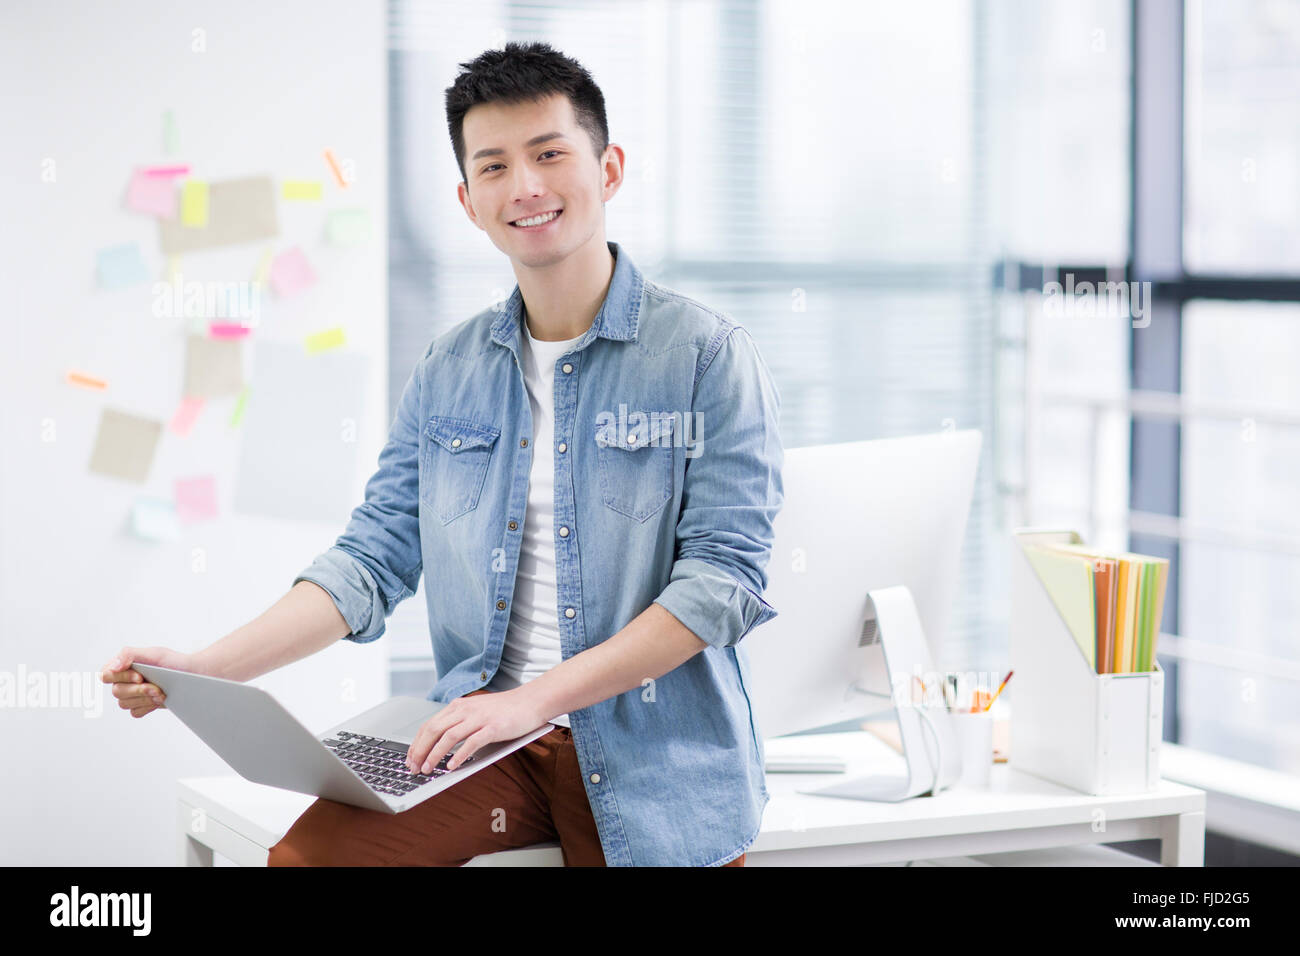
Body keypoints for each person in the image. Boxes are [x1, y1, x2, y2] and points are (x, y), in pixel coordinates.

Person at [101, 40, 783, 867]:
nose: (525, 187)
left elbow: (720, 584)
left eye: (549, 153)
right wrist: (206, 671)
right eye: (494, 166)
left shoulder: (706, 356)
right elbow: (374, 557)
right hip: (483, 747)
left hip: (656, 763)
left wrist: (531, 702)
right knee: (303, 864)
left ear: (609, 170)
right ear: (468, 200)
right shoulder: (448, 369)